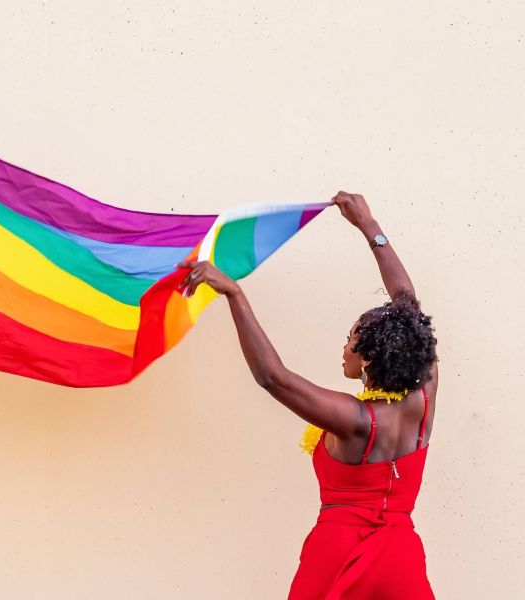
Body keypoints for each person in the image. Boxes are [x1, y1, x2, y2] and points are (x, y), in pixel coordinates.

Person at [179, 191, 438, 599]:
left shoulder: (354, 420)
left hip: (336, 556)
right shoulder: (425, 390)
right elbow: (406, 301)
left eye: (350, 341)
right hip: (401, 558)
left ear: (369, 358)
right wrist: (368, 225)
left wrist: (234, 295)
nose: (344, 349)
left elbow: (273, 377)